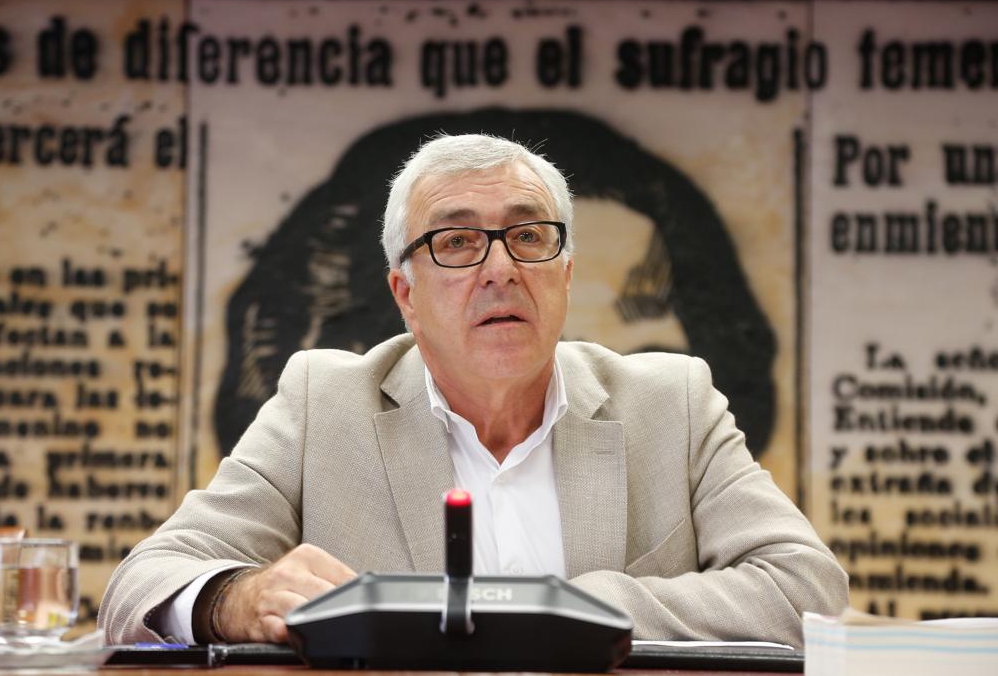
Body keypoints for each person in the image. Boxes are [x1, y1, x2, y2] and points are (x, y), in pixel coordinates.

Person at [100, 134, 847, 648]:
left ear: (563, 274)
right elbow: (141, 584)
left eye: (528, 237)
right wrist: (239, 597)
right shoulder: (323, 403)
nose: (500, 268)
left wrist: (575, 609)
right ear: (406, 294)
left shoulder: (671, 403)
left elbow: (807, 589)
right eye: (456, 242)